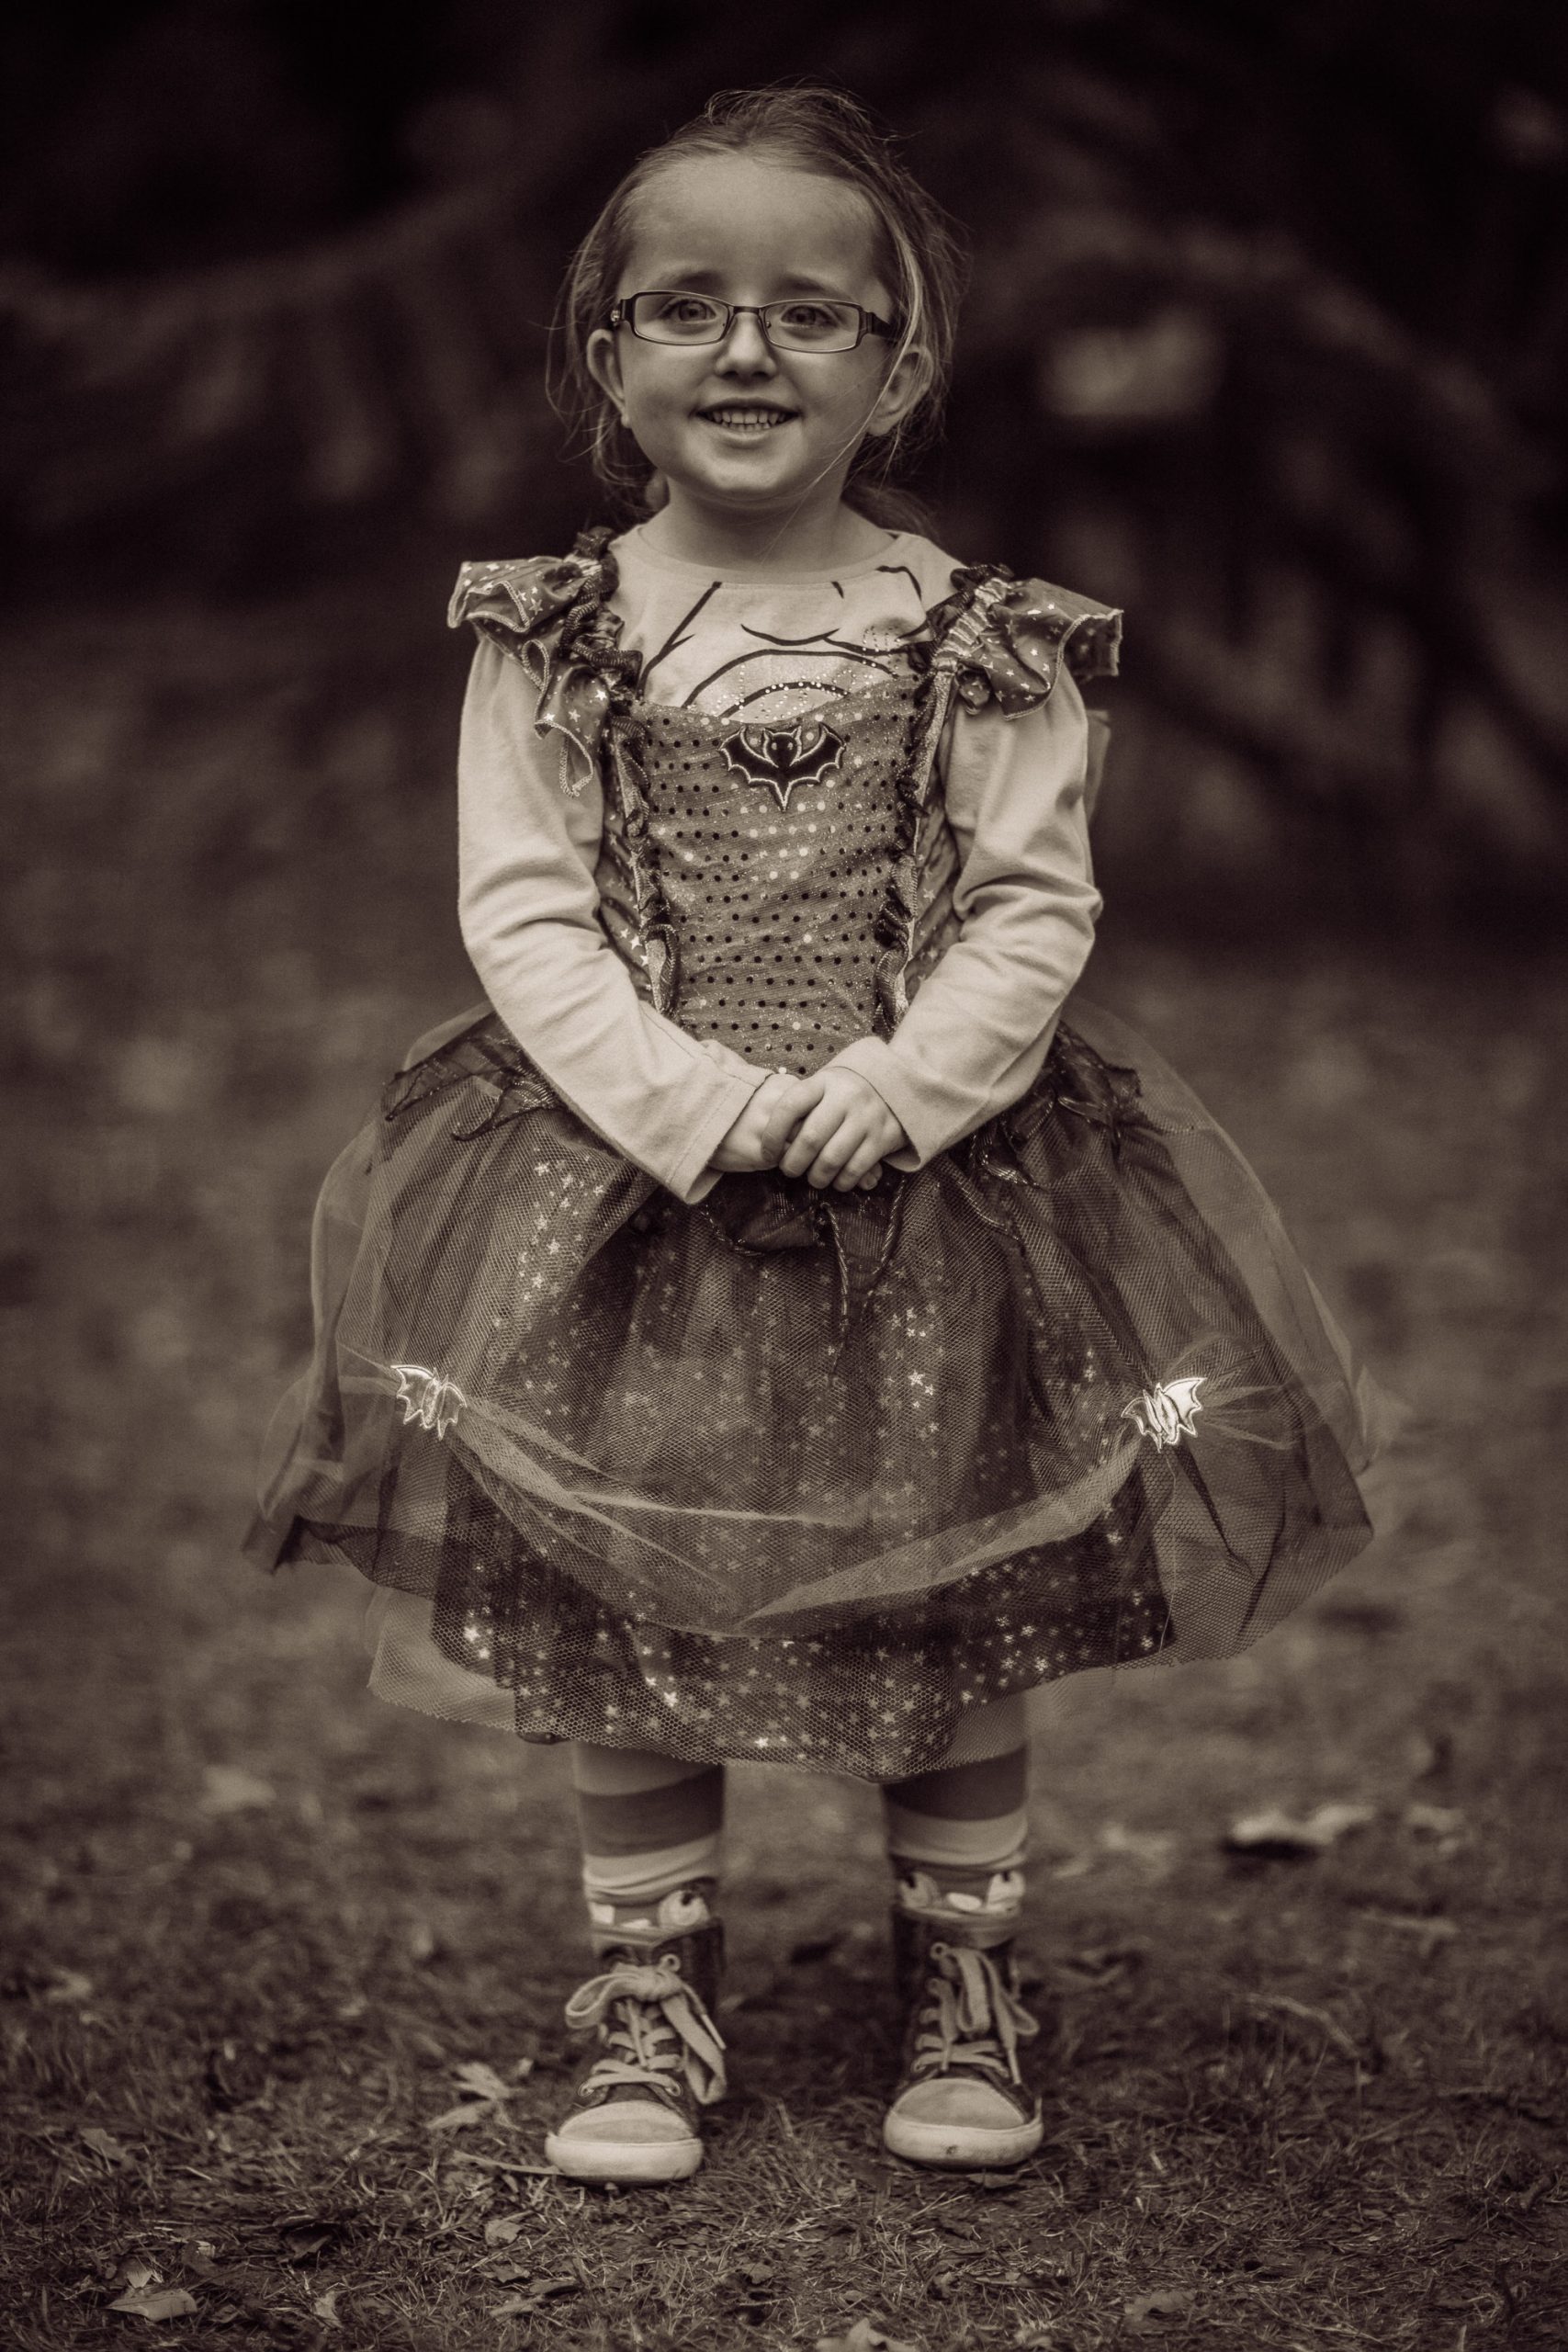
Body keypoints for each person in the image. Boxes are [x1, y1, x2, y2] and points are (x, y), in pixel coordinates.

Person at [248, 85, 1384, 2187]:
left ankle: (963, 1972)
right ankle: (646, 1989)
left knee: (946, 1579)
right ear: (606, 356)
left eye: (808, 312)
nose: (745, 350)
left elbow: (1030, 901)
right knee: (622, 1577)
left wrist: (891, 1088)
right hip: (624, 1187)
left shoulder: (979, 634)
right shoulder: (550, 629)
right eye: (683, 307)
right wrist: (696, 1106)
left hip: (929, 1192)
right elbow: (525, 908)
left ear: (899, 360)